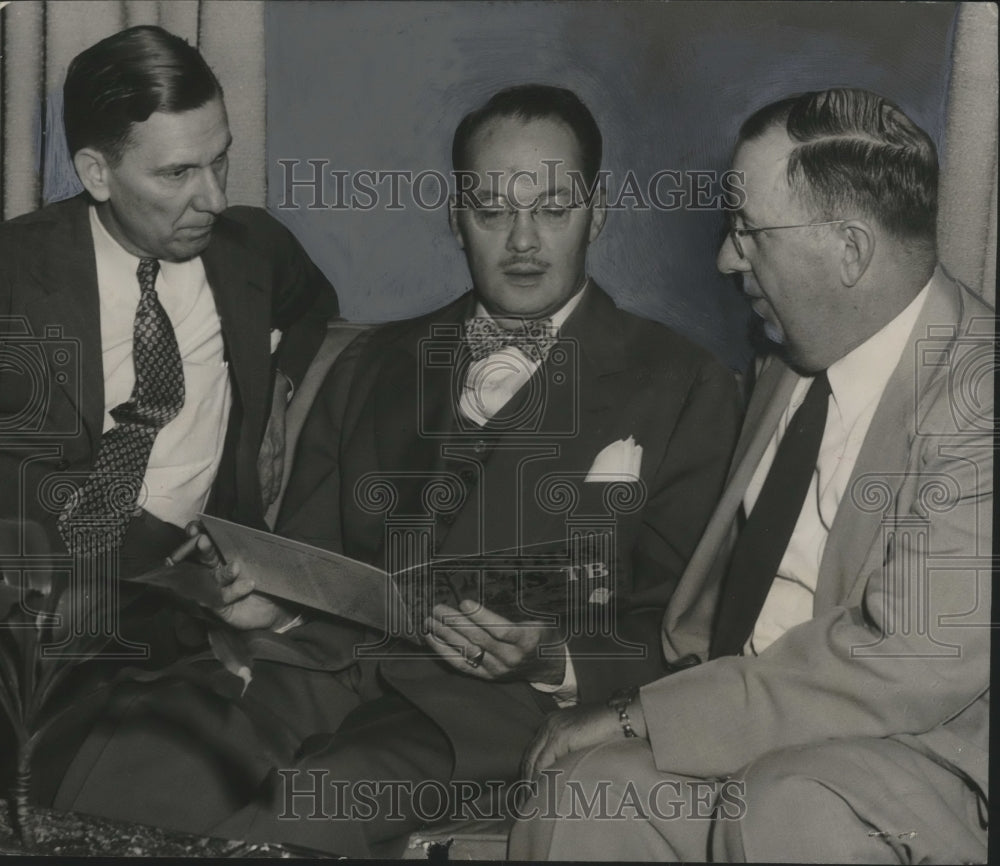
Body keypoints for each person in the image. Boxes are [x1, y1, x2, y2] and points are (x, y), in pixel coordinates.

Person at [54, 84, 741, 856]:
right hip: (312, 678)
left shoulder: (684, 386)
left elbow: (689, 636)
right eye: (491, 211)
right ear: (454, 217)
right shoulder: (373, 365)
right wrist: (266, 609)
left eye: (552, 209)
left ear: (598, 211)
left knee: (289, 823)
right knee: (128, 764)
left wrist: (551, 656)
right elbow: (313, 569)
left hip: (484, 718)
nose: (523, 240)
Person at [509, 88, 993, 863]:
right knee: (580, 797)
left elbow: (902, 664)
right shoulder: (785, 362)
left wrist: (646, 715)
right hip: (761, 733)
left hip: (908, 754)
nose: (726, 257)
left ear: (851, 251)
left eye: (747, 229)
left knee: (784, 807)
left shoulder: (980, 404)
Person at [0, 24, 337, 802]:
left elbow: (312, 305)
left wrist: (281, 391)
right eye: (179, 173)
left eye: (219, 160)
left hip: (189, 614)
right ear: (96, 171)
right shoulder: (17, 278)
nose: (214, 199)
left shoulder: (254, 250)